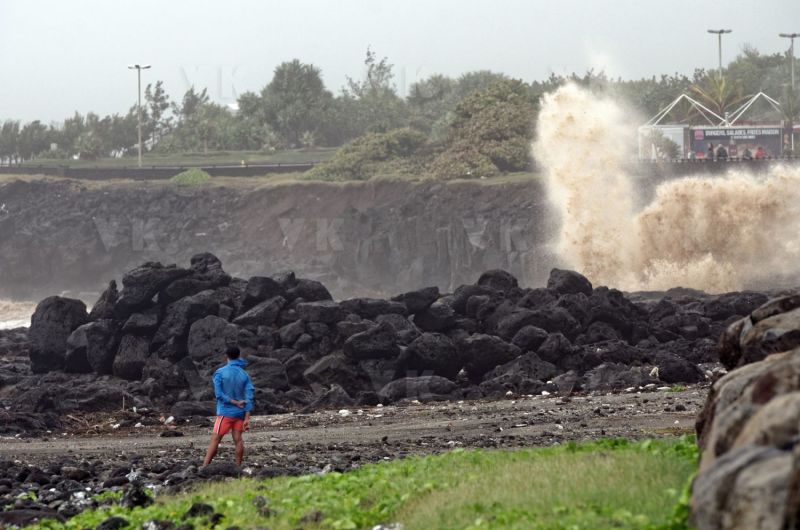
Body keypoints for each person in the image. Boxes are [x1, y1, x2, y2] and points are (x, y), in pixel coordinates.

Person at [203, 346, 254, 467]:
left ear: (226, 356)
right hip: (240, 414)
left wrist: (234, 402)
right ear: (238, 356)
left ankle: (204, 467)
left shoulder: (220, 372)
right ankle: (238, 468)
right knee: (238, 439)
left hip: (225, 413)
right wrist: (247, 417)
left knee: (215, 440)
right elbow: (249, 397)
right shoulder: (244, 375)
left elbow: (219, 395)